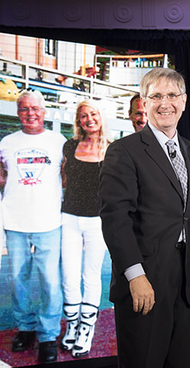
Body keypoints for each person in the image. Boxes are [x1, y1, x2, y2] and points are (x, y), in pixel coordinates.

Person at [99, 68, 190, 368]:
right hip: (146, 276)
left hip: (189, 279)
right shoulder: (124, 151)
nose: (165, 103)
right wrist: (135, 276)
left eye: (172, 96)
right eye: (156, 96)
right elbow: (115, 218)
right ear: (144, 103)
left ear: (184, 102)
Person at [0, 90, 66, 363]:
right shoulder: (7, 142)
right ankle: (26, 327)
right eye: (25, 109)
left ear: (44, 112)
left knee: (51, 282)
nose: (30, 114)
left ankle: (48, 334)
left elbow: (67, 177)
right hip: (14, 221)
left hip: (49, 221)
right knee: (18, 280)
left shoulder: (58, 141)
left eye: (35, 109)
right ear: (18, 113)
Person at [60, 99, 112, 357]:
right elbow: (64, 177)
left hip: (96, 221)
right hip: (69, 217)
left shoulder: (113, 150)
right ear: (78, 121)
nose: (89, 119)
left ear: (100, 117)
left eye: (93, 114)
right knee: (69, 274)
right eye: (83, 115)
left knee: (90, 275)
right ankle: (71, 325)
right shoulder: (69, 146)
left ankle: (86, 329)